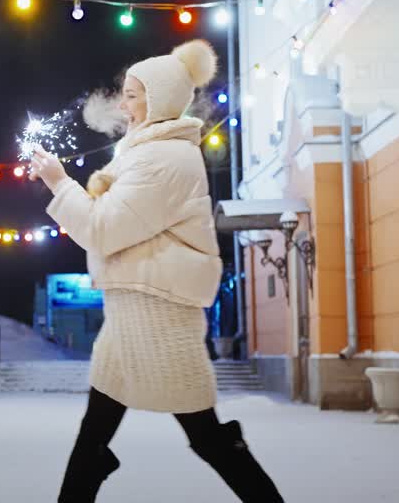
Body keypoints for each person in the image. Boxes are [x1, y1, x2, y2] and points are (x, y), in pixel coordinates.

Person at [30, 39, 285, 502]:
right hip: (130, 310)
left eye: (132, 94)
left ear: (160, 98)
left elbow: (104, 229)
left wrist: (58, 183)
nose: (123, 103)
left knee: (205, 434)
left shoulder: (164, 159)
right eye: (124, 94)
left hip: (159, 314)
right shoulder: (139, 153)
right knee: (95, 432)